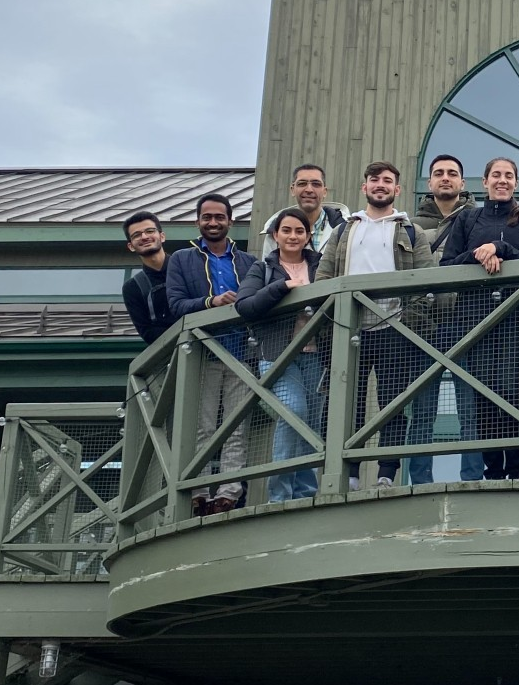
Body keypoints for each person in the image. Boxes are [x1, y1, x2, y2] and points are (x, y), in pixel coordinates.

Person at [318, 162, 433, 486]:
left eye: (387, 181)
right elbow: (324, 275)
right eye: (373, 180)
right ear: (364, 187)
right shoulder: (343, 230)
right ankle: (349, 473)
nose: (380, 185)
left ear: (397, 189)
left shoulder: (412, 231)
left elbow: (428, 279)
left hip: (394, 328)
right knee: (347, 403)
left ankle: (386, 473)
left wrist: (412, 319)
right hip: (348, 329)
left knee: (393, 404)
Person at [435, 157, 519, 479]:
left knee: (512, 392)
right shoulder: (468, 219)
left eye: (509, 176)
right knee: (482, 393)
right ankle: (493, 472)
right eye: (496, 175)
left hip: (518, 321)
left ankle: (517, 470)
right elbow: (446, 266)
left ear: (515, 183)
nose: (502, 180)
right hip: (475, 319)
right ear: (484, 182)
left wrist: (501, 248)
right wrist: (477, 254)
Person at [165, 192, 257, 513]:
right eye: (207, 217)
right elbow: (175, 305)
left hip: (241, 353)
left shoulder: (248, 262)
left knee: (236, 428)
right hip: (202, 353)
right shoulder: (180, 259)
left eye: (220, 217)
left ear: (230, 221)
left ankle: (228, 494)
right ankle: (198, 491)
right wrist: (211, 303)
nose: (213, 222)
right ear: (198, 221)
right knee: (201, 428)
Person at [235, 208, 325, 501]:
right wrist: (282, 287)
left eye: (299, 231)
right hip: (276, 355)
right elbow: (245, 305)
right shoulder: (262, 269)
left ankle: (306, 495)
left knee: (311, 424)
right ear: (275, 235)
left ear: (308, 236)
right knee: (293, 413)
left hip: (316, 355)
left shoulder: (321, 266)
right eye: (286, 230)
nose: (293, 236)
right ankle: (280, 496)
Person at [411, 153, 476, 484]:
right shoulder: (409, 226)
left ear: (462, 183)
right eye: (439, 173)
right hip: (424, 325)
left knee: (470, 408)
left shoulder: (477, 220)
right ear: (430, 182)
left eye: (453, 173)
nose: (445, 178)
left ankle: (470, 480)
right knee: (422, 410)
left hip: (465, 322)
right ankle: (419, 482)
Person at [259, 163, 346, 256]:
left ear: (324, 192)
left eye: (316, 184)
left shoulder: (344, 229)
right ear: (293, 190)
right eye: (302, 184)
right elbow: (268, 268)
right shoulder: (275, 230)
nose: (309, 190)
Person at [121, 210, 174, 345]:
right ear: (130, 246)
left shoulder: (189, 266)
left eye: (150, 231)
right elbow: (147, 332)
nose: (144, 237)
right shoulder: (133, 287)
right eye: (137, 235)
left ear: (162, 236)